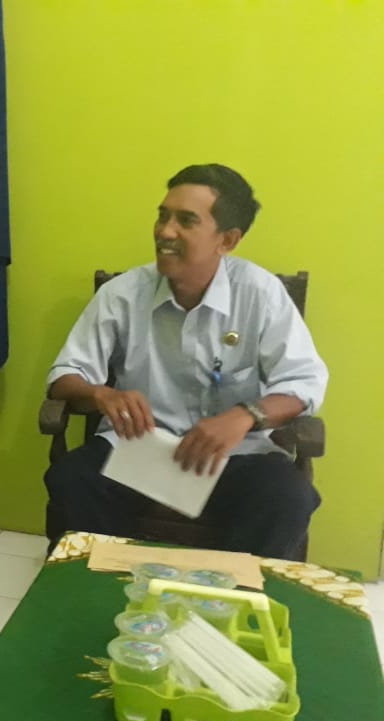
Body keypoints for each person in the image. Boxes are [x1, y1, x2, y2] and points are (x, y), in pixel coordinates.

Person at [44, 164, 328, 560]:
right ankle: (103, 584)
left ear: (227, 240)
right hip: (142, 452)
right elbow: (65, 375)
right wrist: (101, 394)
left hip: (232, 458)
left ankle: (229, 592)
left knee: (288, 496)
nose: (165, 231)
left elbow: (304, 382)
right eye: (163, 216)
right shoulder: (123, 293)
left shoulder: (260, 294)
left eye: (186, 220)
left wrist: (245, 416)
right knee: (73, 479)